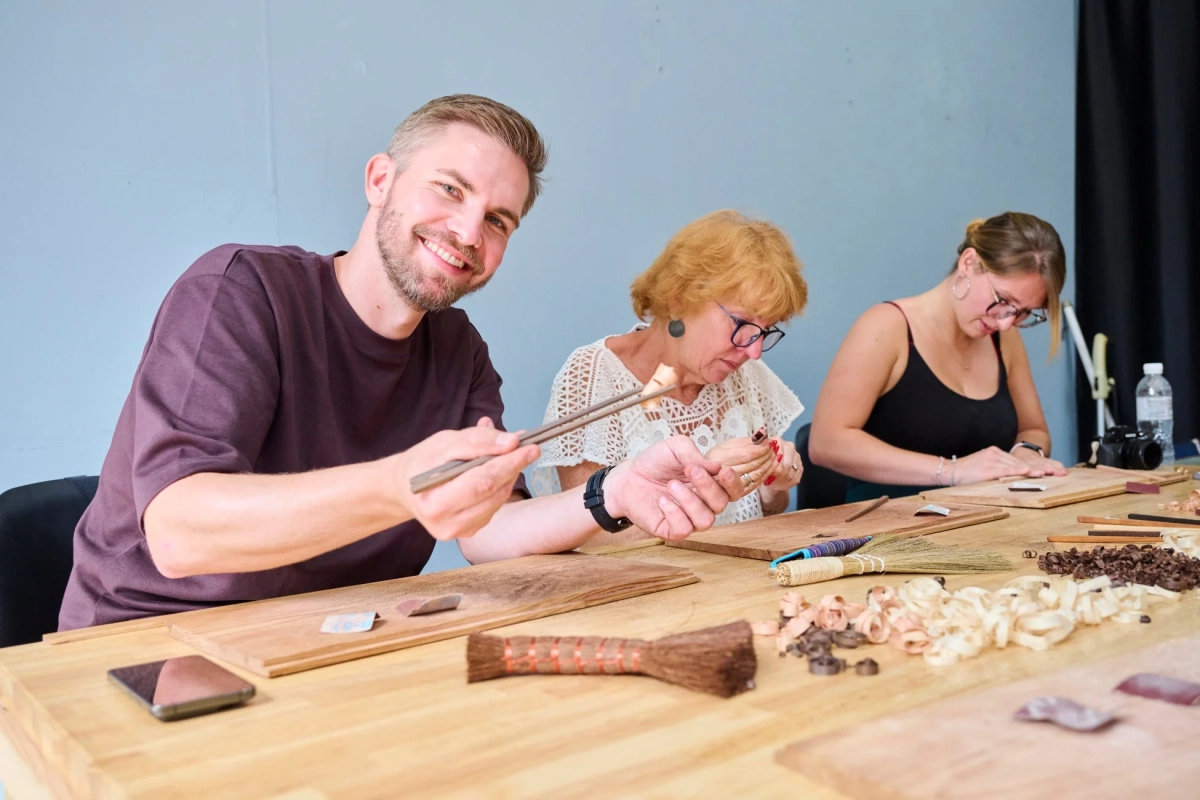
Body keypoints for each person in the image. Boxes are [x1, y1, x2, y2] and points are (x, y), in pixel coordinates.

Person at [59, 95, 741, 630]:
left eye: (499, 220)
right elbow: (180, 532)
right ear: (380, 179)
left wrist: (611, 494)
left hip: (329, 641)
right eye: (450, 189)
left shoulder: (459, 351)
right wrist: (398, 486)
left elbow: (488, 528)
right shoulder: (241, 292)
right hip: (146, 643)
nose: (469, 232)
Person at [531, 210, 809, 544]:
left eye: (765, 331)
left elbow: (764, 513)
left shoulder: (747, 377)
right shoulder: (595, 375)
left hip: (736, 585)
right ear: (679, 300)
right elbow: (590, 539)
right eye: (742, 324)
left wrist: (772, 486)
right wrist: (700, 479)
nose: (754, 351)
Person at [808, 211, 1069, 501]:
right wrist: (951, 471)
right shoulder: (885, 328)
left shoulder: (1004, 339)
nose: (1007, 322)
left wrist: (1027, 453)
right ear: (969, 263)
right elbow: (825, 443)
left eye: (1023, 312)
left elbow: (1033, 429)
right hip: (886, 527)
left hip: (980, 523)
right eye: (1003, 301)